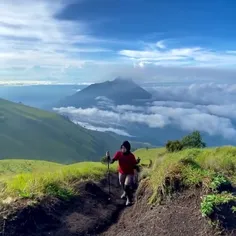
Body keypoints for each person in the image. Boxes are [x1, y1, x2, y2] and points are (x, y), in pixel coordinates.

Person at [106, 141, 140, 206]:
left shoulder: (131, 156)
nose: (123, 149)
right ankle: (125, 192)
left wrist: (137, 162)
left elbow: (134, 163)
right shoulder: (119, 154)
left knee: (126, 186)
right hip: (122, 172)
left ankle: (129, 200)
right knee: (121, 183)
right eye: (122, 147)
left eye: (124, 148)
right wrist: (108, 157)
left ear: (128, 148)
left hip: (130, 173)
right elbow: (111, 161)